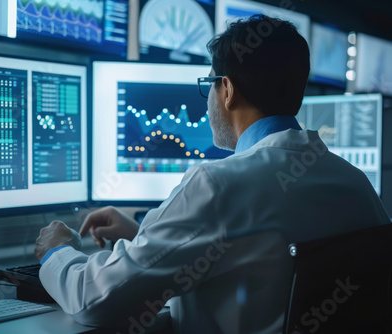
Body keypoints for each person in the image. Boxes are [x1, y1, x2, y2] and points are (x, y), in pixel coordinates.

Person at [34, 15, 390, 333]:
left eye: (209, 85)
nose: (207, 101)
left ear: (228, 90)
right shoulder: (357, 184)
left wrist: (57, 252)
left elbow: (93, 301)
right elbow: (255, 254)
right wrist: (145, 236)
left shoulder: (216, 184)